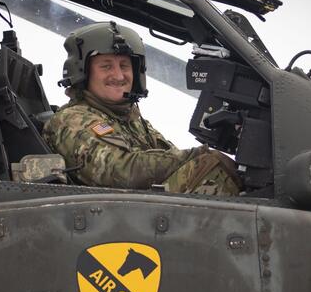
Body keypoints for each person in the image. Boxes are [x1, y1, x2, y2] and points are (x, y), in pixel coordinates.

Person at [43, 21, 241, 196]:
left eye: (124, 66)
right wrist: (197, 156)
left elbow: (166, 156)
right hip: (112, 222)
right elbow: (119, 172)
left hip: (138, 215)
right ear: (83, 73)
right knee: (208, 166)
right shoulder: (72, 120)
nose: (119, 76)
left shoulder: (130, 118)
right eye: (106, 66)